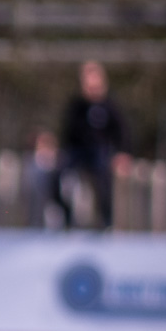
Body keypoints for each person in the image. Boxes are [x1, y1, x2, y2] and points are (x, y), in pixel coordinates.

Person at [56, 61, 129, 231]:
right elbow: (67, 133)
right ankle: (67, 219)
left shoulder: (110, 106)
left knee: (103, 173)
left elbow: (122, 131)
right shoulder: (76, 105)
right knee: (59, 176)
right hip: (77, 151)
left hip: (99, 151)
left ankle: (106, 221)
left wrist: (123, 153)